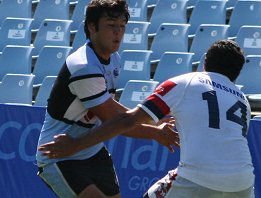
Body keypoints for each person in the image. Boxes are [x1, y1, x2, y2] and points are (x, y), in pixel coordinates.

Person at [39, 40, 255, 198]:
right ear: (236, 74)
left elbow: (126, 121)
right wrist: (157, 131)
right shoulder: (243, 99)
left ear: (204, 62)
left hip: (197, 178)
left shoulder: (186, 82)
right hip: (245, 183)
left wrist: (75, 145)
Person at [35, 0, 179, 198]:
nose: (118, 32)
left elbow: (111, 108)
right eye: (111, 25)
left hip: (91, 149)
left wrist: (151, 121)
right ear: (92, 28)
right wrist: (155, 132)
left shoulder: (114, 59)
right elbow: (116, 121)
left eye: (122, 26)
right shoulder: (85, 66)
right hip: (60, 155)